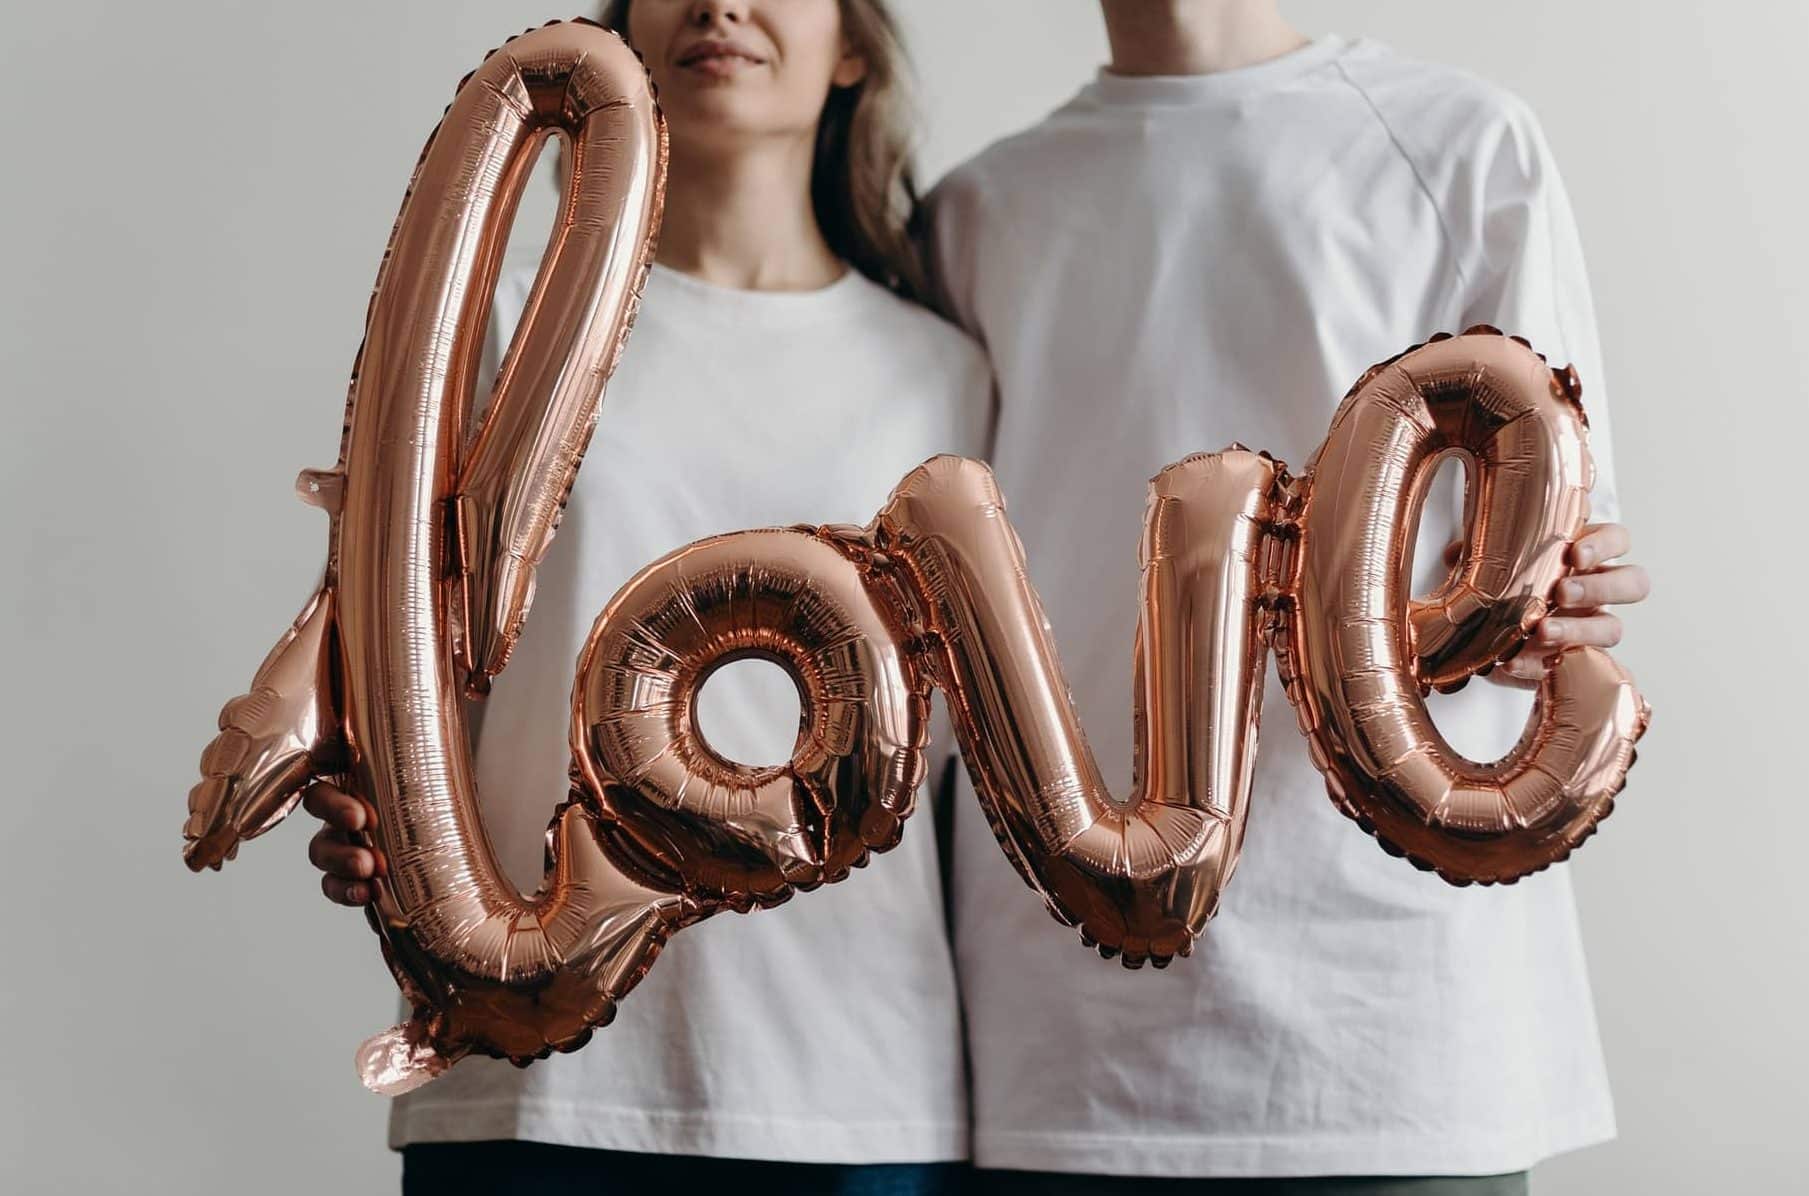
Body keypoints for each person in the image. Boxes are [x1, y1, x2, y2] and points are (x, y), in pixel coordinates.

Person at [925, 2, 1649, 1192]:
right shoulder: (979, 210)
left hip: (1393, 1030)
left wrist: (1564, 602)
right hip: (1067, 1050)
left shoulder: (1460, 143)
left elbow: (1555, 553)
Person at [303, 2, 990, 1193]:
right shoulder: (502, 325)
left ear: (858, 48)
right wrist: (362, 791)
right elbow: (392, 656)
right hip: (529, 1079)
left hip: (847, 1090)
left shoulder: (948, 373)